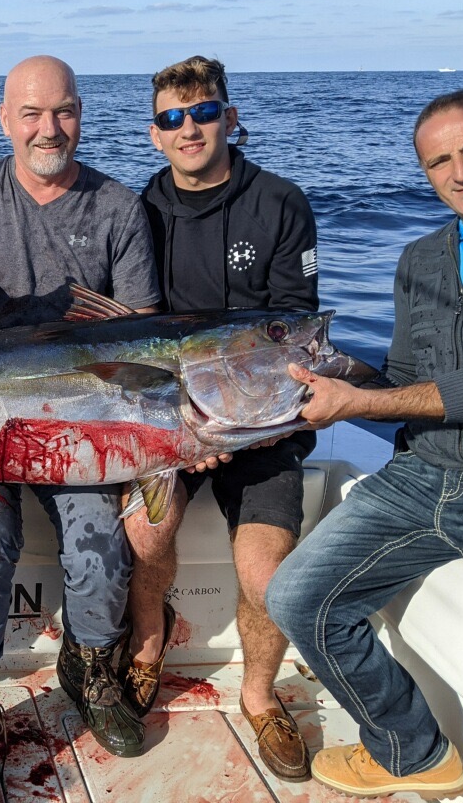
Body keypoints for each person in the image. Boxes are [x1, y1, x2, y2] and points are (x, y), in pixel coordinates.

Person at [266, 89, 463, 801]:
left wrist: (362, 401)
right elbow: (405, 380)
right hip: (421, 472)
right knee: (298, 597)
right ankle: (412, 751)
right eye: (440, 161)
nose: (460, 172)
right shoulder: (419, 257)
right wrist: (317, 381)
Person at [0, 55, 161, 802]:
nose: (47, 128)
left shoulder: (119, 208)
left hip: (82, 431)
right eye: (30, 113)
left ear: (81, 115)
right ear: (5, 119)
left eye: (61, 112)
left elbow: (143, 349)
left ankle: (90, 666)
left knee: (99, 541)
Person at [119, 55, 319, 782]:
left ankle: (261, 695)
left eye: (205, 112)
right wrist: (188, 433)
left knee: (266, 574)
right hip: (176, 426)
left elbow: (295, 333)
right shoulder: (140, 209)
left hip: (263, 425)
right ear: (155, 134)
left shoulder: (279, 203)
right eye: (173, 118)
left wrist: (234, 422)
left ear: (230, 118)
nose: (190, 128)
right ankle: (146, 646)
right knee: (145, 530)